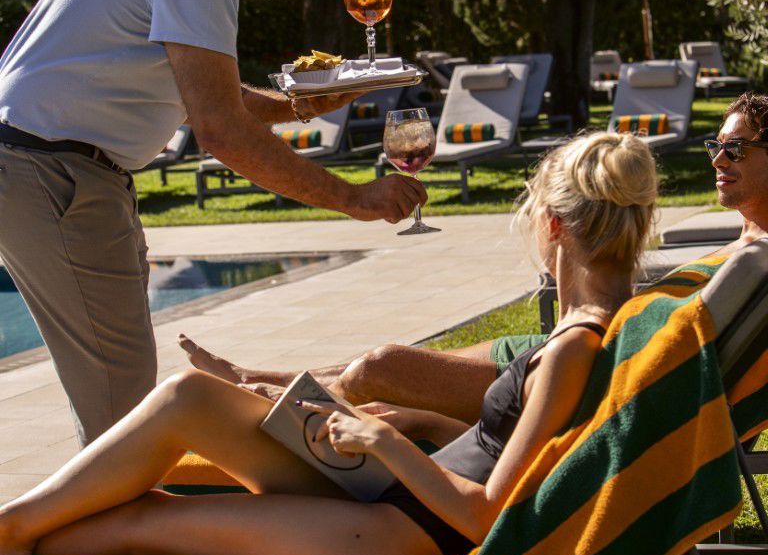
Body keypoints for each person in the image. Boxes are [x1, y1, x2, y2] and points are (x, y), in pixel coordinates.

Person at [0, 131, 657, 555]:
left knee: (145, 519)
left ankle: (11, 539)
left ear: (554, 225)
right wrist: (419, 424)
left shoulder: (575, 346)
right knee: (187, 396)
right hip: (398, 497)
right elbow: (511, 448)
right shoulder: (596, 328)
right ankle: (12, 531)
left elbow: (488, 514)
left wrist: (382, 441)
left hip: (404, 532)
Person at [0, 0, 425, 447]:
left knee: (117, 408)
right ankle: (98, 510)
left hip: (54, 167)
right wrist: (353, 198)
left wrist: (300, 104)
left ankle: (106, 504)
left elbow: (204, 89)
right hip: (54, 172)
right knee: (123, 421)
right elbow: (220, 128)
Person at [179, 90, 768, 425]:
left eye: (737, 148)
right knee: (379, 363)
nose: (719, 158)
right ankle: (254, 379)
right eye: (716, 145)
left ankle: (265, 406)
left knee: (379, 370)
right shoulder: (746, 246)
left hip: (603, 366)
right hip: (600, 347)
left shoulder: (757, 256)